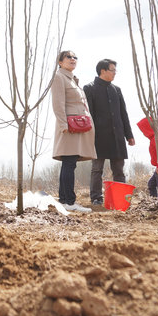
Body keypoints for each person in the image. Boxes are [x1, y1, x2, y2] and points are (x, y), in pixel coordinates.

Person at [83, 59, 135, 206]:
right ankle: (96, 198)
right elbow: (88, 115)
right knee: (97, 169)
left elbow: (123, 114)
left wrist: (129, 135)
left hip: (117, 136)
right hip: (98, 136)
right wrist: (89, 136)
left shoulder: (116, 90)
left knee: (119, 170)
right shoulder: (89, 88)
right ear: (103, 71)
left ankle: (121, 199)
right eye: (112, 70)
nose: (115, 73)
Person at [51, 51, 96, 213]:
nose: (72, 59)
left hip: (78, 128)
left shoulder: (73, 79)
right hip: (69, 127)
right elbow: (57, 103)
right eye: (68, 57)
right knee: (69, 162)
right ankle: (69, 201)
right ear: (60, 62)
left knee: (69, 163)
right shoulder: (59, 77)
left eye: (75, 57)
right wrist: (63, 125)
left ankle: (65, 200)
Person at [137, 116, 158, 198]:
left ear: (148, 128)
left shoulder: (157, 138)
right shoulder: (155, 137)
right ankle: (155, 200)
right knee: (151, 184)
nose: (143, 133)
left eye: (143, 131)